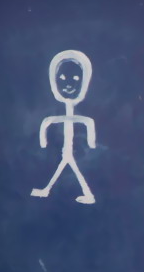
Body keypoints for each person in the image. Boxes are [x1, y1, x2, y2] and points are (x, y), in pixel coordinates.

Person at [30, 49, 97, 204]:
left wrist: (91, 141)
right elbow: (47, 122)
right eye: (61, 78)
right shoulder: (53, 117)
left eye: (75, 78)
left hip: (69, 150)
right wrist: (43, 138)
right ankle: (49, 190)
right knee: (67, 162)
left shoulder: (81, 118)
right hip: (66, 151)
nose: (68, 84)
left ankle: (85, 194)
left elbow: (88, 122)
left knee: (68, 162)